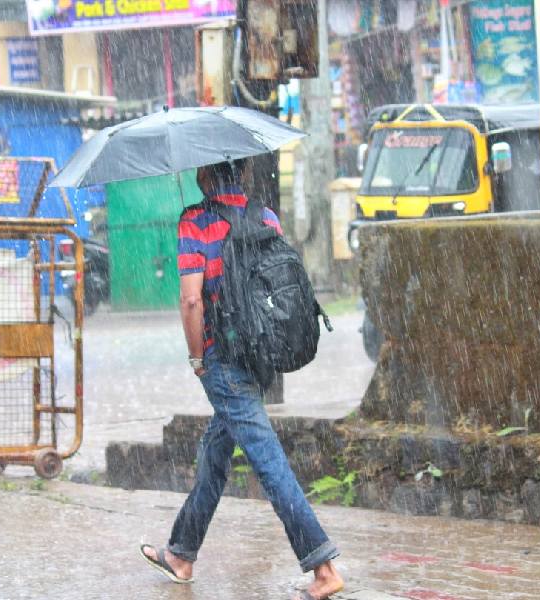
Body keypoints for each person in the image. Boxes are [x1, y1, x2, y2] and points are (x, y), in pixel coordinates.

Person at [139, 160, 344, 600]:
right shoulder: (264, 215)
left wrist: (198, 358)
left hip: (222, 358)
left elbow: (192, 300)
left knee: (267, 460)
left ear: (205, 174)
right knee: (215, 453)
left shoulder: (195, 220)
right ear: (244, 169)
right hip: (258, 352)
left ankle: (323, 566)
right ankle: (181, 554)